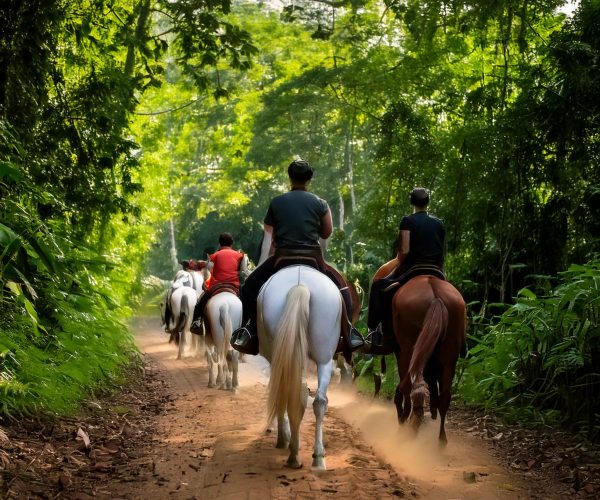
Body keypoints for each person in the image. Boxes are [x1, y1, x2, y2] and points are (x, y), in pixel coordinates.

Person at [230, 158, 364, 355]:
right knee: (343, 288)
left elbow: (268, 238)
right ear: (309, 179)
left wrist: (260, 265)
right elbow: (327, 233)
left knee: (249, 287)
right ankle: (349, 332)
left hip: (282, 257)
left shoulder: (277, 202)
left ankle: (247, 330)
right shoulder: (320, 203)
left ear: (290, 177)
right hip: (313, 258)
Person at [363, 187, 446, 353]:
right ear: (428, 201)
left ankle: (376, 334)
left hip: (412, 267)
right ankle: (462, 340)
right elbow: (442, 251)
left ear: (412, 202)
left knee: (379, 286)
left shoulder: (407, 221)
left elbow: (405, 251)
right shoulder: (439, 223)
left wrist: (398, 261)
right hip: (436, 268)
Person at [192, 232, 245, 326]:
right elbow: (243, 272)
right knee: (247, 300)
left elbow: (208, 269)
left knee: (201, 301)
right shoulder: (240, 255)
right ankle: (247, 325)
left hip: (216, 286)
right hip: (234, 286)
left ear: (220, 243)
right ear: (232, 243)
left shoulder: (214, 256)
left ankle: (196, 321)